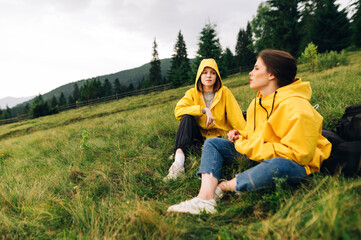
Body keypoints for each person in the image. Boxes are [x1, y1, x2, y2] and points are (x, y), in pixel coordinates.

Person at [167, 49, 332, 214]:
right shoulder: (257, 102)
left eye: (256, 68)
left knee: (277, 166)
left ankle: (225, 186)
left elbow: (300, 155)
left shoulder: (297, 107)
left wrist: (248, 145)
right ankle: (205, 198)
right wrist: (240, 136)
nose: (250, 72)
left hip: (292, 163)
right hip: (256, 153)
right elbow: (255, 133)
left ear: (271, 75)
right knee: (213, 143)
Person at [163, 58, 246, 181]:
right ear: (199, 75)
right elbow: (178, 111)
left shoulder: (224, 92)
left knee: (245, 114)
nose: (209, 76)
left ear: (217, 76)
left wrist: (245, 136)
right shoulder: (192, 93)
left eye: (213, 73)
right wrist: (203, 110)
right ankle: (178, 164)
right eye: (205, 72)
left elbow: (237, 118)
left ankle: (182, 152)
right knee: (186, 117)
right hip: (199, 139)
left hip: (219, 138)